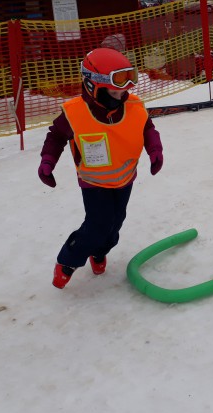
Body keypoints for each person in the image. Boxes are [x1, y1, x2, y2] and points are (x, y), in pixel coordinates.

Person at [38, 47, 164, 289]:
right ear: (93, 85)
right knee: (98, 225)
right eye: (118, 84)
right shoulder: (75, 113)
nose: (126, 90)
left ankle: (100, 251)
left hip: (124, 179)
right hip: (94, 183)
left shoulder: (133, 106)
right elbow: (55, 137)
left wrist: (155, 151)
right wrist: (47, 161)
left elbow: (148, 129)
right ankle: (68, 261)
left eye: (130, 78)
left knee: (116, 223)